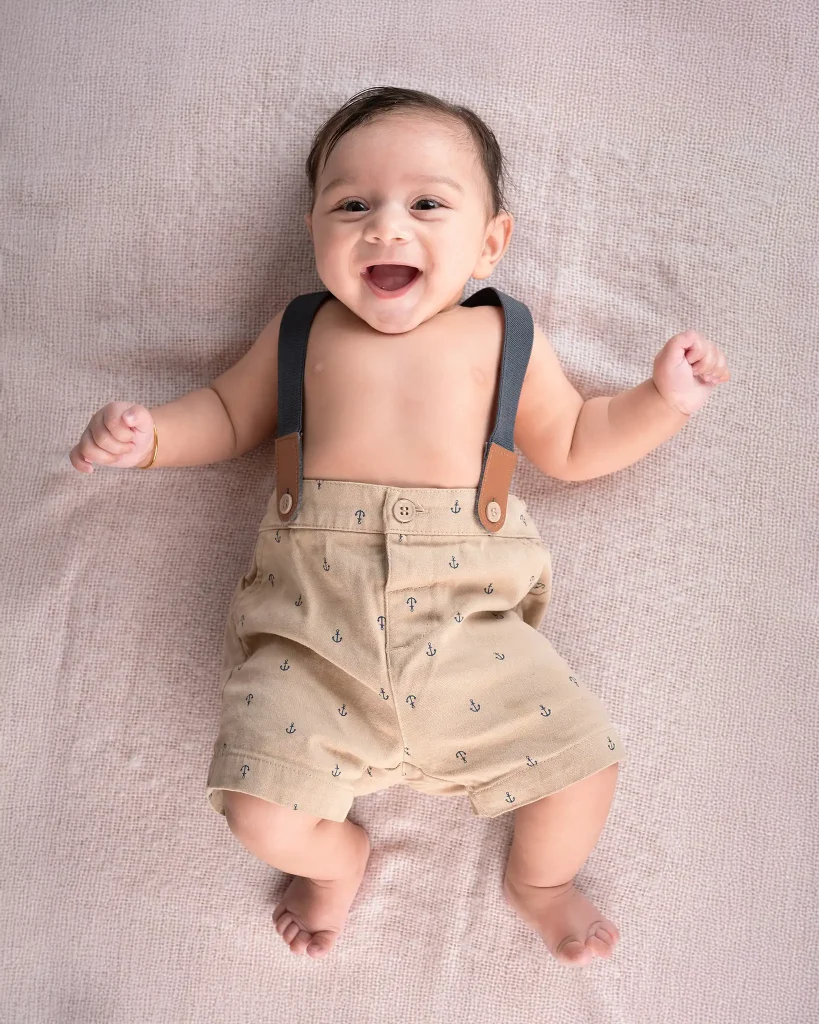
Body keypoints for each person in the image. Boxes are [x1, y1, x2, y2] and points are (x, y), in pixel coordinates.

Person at [69, 86, 730, 967]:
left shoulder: (502, 339)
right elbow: (227, 416)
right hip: (314, 641)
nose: (385, 226)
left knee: (584, 767)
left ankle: (538, 883)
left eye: (426, 204)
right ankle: (335, 862)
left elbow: (574, 441)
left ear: (490, 240)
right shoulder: (302, 331)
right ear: (314, 232)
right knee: (252, 807)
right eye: (352, 205)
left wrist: (661, 401)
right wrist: (152, 438)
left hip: (469, 640)